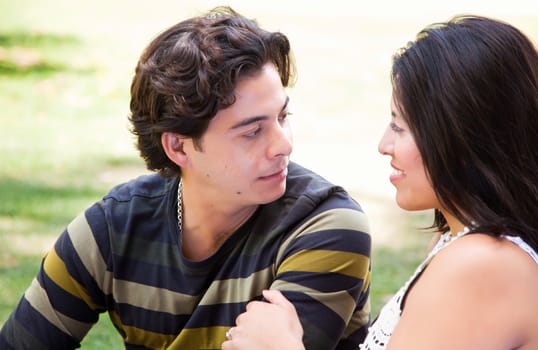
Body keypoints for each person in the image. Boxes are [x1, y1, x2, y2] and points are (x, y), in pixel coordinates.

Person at [0, 6, 372, 350]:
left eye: (282, 117)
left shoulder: (327, 227)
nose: (283, 145)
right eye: (252, 131)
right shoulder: (111, 231)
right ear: (179, 148)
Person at [221, 14, 538, 350]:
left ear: (463, 137)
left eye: (399, 127)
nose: (384, 145)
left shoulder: (481, 265)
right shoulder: (461, 241)